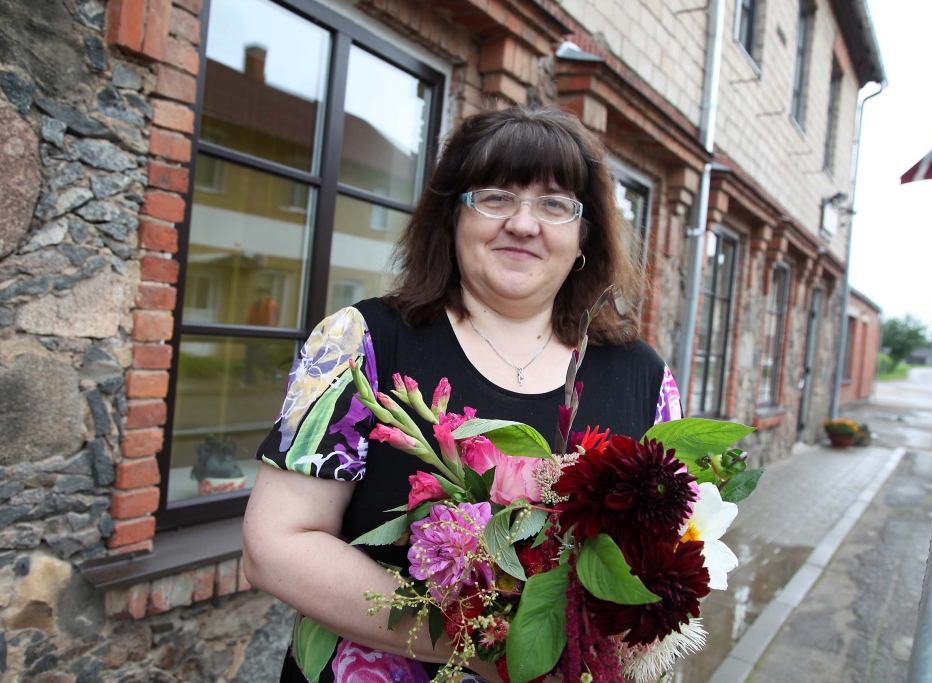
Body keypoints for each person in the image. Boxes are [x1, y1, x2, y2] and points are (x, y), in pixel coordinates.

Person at [242, 106, 684, 683]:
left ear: (583, 237)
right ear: (452, 217)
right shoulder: (361, 344)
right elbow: (274, 547)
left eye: (555, 204)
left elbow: (664, 561)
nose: (524, 224)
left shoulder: (644, 376)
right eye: (495, 196)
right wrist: (494, 649)